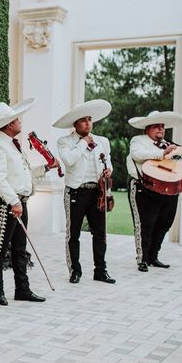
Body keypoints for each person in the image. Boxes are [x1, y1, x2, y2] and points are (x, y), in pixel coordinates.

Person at [0, 99, 59, 306]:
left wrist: (46, 167)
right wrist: (13, 201)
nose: (20, 122)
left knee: (20, 247)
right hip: (6, 204)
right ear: (9, 124)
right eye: (17, 119)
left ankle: (22, 289)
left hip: (20, 202)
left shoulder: (14, 145)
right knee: (0, 247)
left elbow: (23, 174)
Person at [126, 111, 182, 272]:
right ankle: (143, 259)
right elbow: (137, 155)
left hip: (167, 189)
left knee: (164, 223)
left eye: (162, 126)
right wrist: (162, 153)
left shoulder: (170, 144)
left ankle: (153, 257)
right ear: (147, 129)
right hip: (143, 188)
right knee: (145, 225)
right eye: (156, 126)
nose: (160, 129)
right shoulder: (139, 141)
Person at [53, 100, 116, 284]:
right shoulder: (64, 142)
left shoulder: (102, 141)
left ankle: (101, 271)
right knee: (73, 233)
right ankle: (75, 271)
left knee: (100, 233)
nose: (88, 123)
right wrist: (83, 142)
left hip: (97, 192)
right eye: (83, 120)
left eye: (90, 119)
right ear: (75, 124)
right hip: (76, 192)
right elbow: (69, 160)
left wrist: (109, 170)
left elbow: (109, 161)